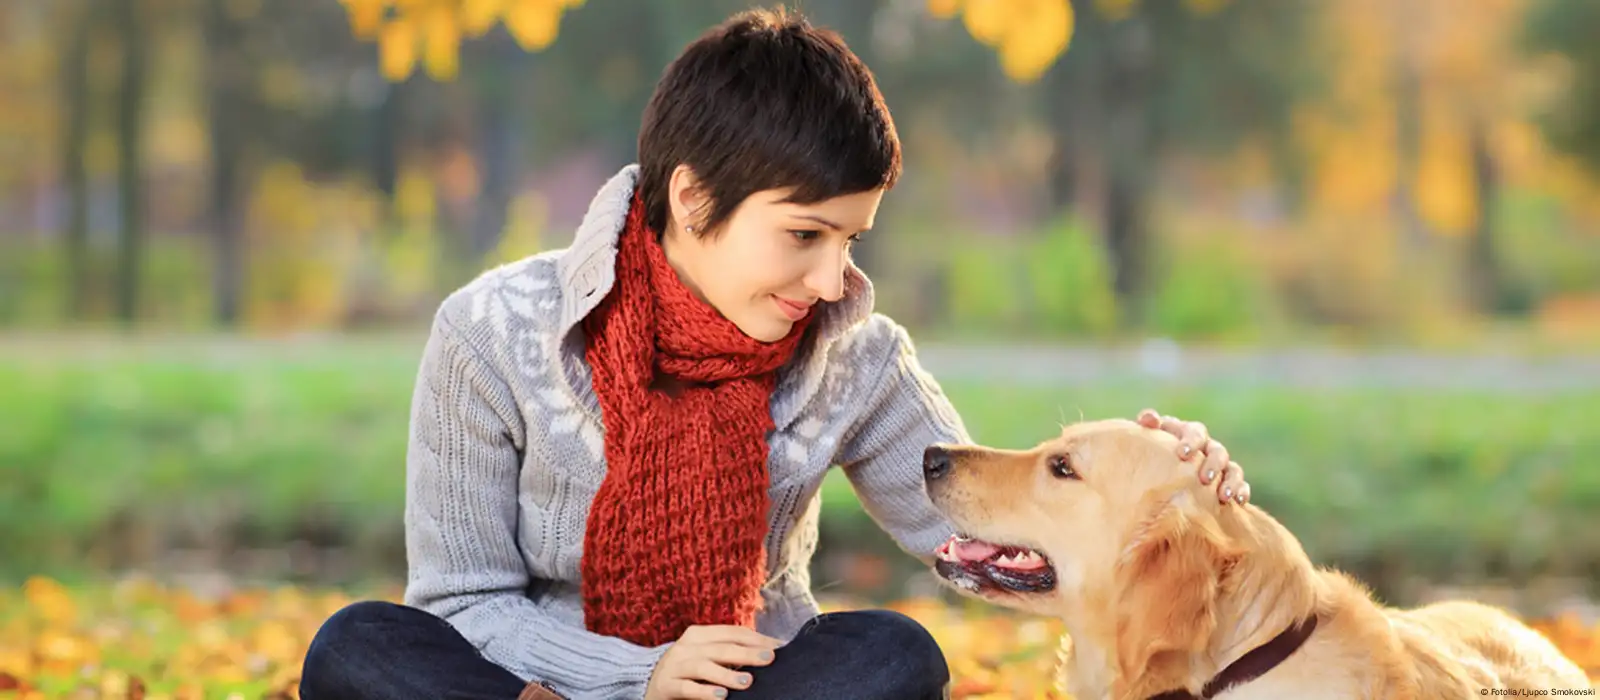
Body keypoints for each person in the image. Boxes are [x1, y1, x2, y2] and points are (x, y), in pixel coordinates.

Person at [297, 7, 1251, 700]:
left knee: (892, 657)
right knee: (362, 647)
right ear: (689, 198)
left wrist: (1169, 491)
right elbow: (463, 605)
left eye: (852, 241)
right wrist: (640, 678)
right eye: (805, 237)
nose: (833, 280)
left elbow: (984, 528)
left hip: (749, 687)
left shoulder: (855, 356)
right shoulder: (494, 333)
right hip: (538, 687)